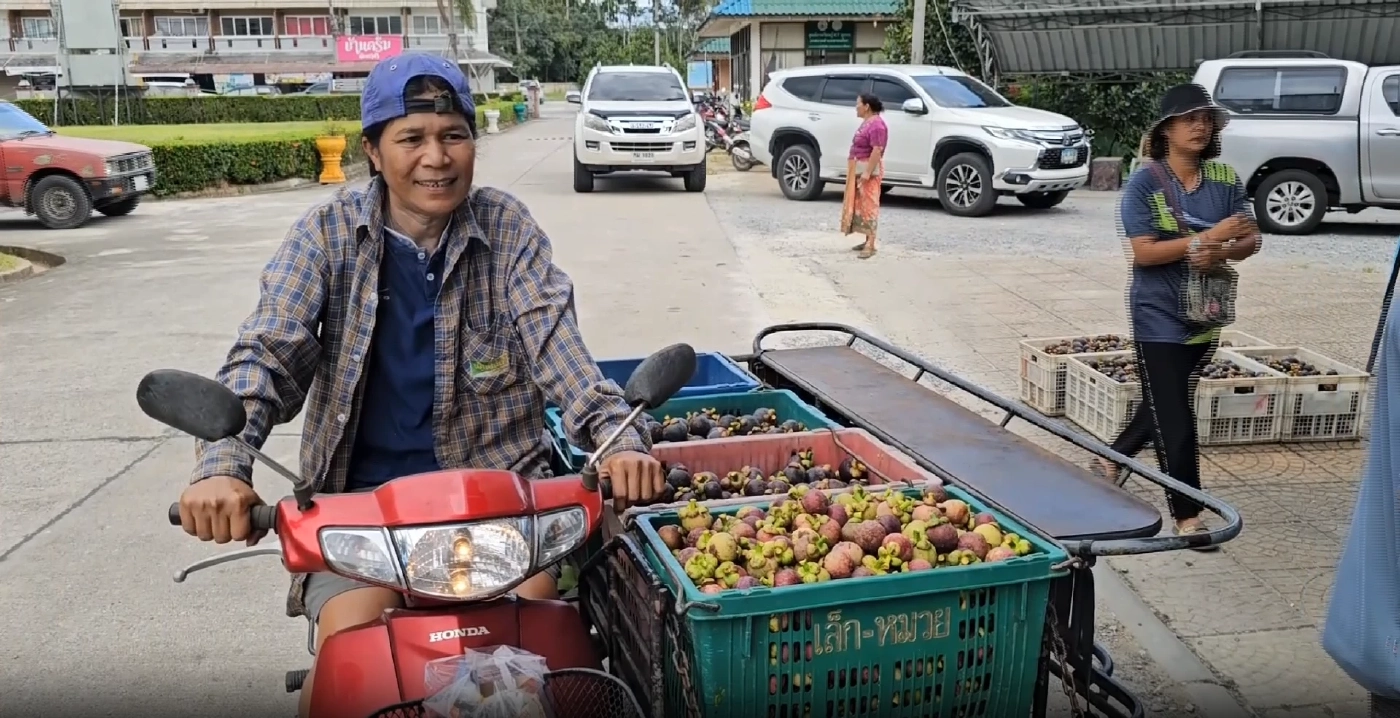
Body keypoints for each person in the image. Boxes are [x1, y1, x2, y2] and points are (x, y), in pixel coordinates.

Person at [172, 53, 665, 717]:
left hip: (500, 516)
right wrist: (223, 467)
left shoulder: (506, 227)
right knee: (352, 653)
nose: (436, 157)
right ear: (373, 152)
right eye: (411, 138)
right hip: (361, 520)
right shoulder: (326, 234)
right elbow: (267, 353)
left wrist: (618, 436)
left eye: (452, 135)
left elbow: (559, 348)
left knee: (549, 654)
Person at [1092, 83, 1260, 544]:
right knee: (1177, 417)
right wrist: (1204, 241)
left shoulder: (1226, 179)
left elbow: (1252, 240)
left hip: (1205, 314)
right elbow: (1143, 254)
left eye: (1206, 119)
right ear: (1166, 129)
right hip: (1157, 315)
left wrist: (1224, 247)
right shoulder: (1144, 183)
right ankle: (1187, 515)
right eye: (1190, 119)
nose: (1201, 126)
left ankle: (1112, 458)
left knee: (1162, 405)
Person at [841, 92, 887, 259]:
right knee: (862, 204)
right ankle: (867, 238)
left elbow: (877, 149)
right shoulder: (869, 123)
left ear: (867, 106)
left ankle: (871, 243)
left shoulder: (877, 125)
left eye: (858, 103)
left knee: (870, 204)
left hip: (867, 168)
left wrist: (867, 172)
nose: (856, 107)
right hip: (859, 166)